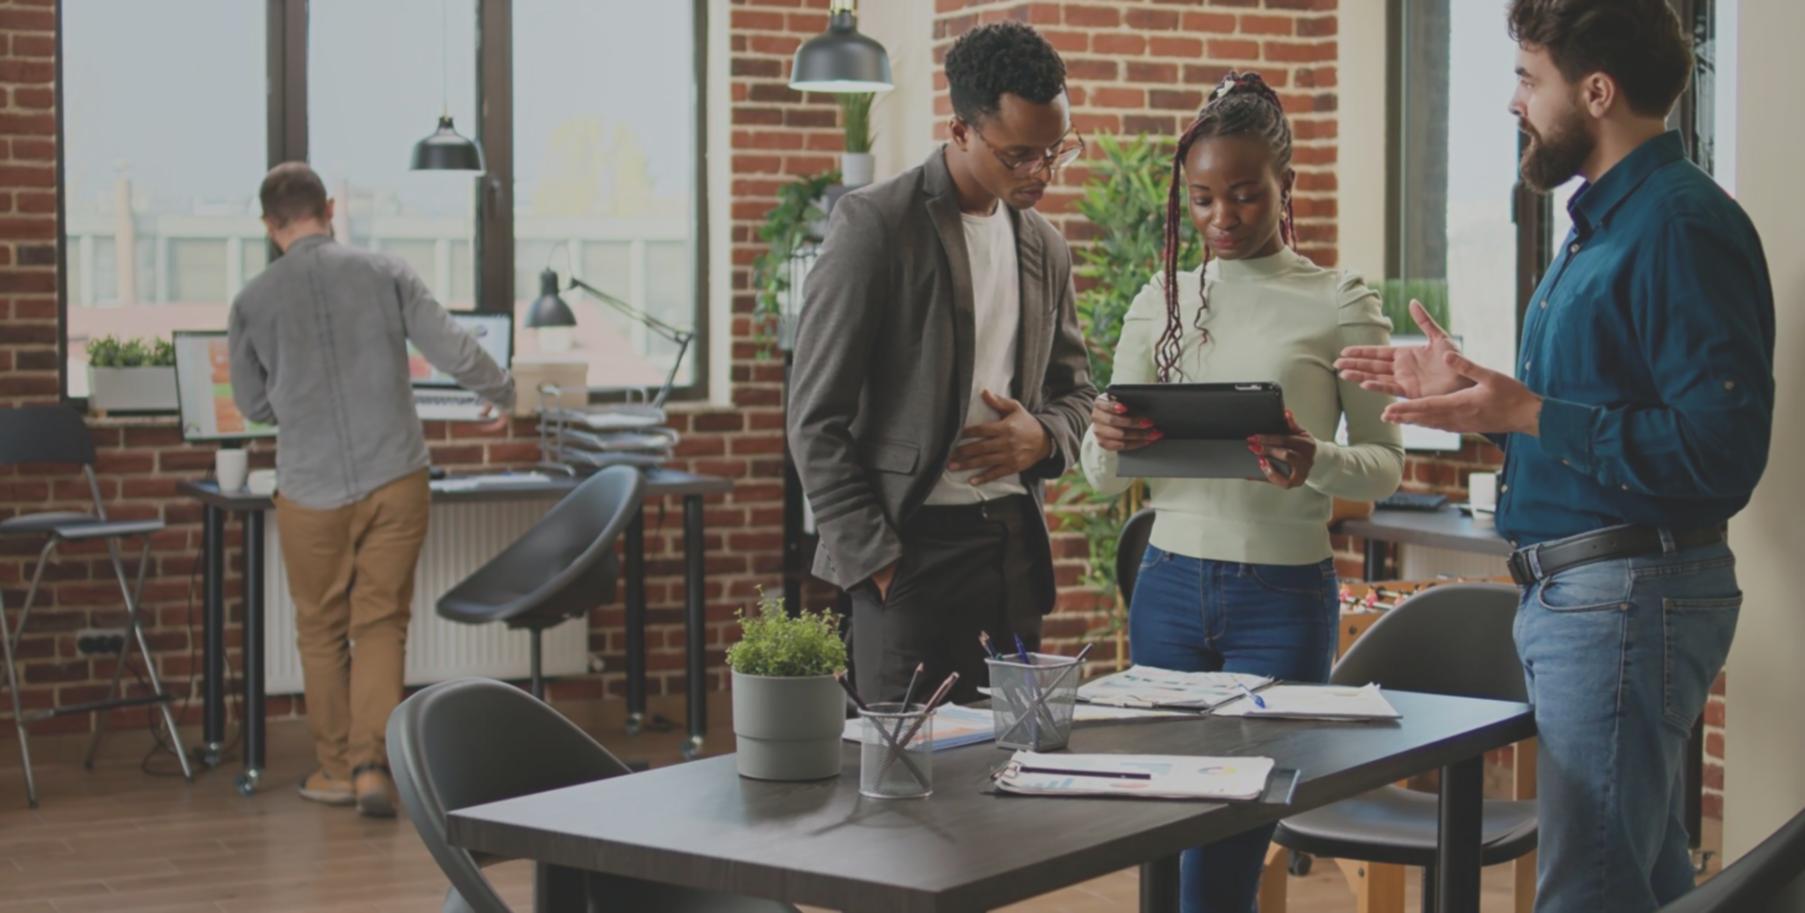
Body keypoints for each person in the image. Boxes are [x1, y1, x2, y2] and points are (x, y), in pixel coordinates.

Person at [1335, 2, 1773, 910]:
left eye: (1528, 78)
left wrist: (1531, 410)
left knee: (1589, 889)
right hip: (1587, 596)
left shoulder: (1679, 226)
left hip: (1625, 597)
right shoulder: (1600, 228)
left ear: (1596, 91)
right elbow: (1590, 427)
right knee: (1639, 879)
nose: (1513, 102)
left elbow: (1721, 453)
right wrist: (1484, 403)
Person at [1083, 71, 1403, 913]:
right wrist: (1104, 435)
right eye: (1201, 200)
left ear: (1283, 185)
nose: (1221, 217)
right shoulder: (1160, 298)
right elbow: (1098, 473)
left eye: (1244, 194)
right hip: (1166, 589)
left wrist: (1314, 459)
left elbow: (1384, 463)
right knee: (1160, 830)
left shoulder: (1340, 301)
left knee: (1223, 859)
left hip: (1281, 600)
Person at [787, 22, 1094, 705]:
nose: (1042, 172)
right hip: (908, 551)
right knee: (907, 764)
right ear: (960, 131)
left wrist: (1044, 436)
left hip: (1013, 553)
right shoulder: (876, 225)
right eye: (1019, 155)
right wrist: (877, 561)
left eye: (1055, 150)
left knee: (1015, 760)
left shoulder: (1046, 246)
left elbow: (1077, 392)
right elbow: (814, 418)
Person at [228, 162, 515, 816]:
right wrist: (502, 391)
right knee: (382, 621)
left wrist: (294, 401)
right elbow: (452, 347)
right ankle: (370, 768)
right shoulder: (385, 272)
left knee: (320, 628)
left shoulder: (251, 300)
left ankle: (335, 770)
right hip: (395, 474)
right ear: (329, 208)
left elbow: (253, 404)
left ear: (270, 225)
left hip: (309, 488)